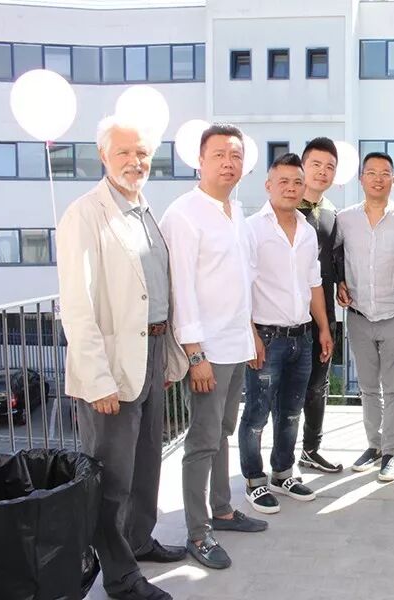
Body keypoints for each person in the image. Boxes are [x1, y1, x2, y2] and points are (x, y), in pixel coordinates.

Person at [57, 115, 189, 600]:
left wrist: (167, 357)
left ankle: (139, 541)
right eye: (124, 153)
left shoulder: (145, 211)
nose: (135, 162)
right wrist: (97, 379)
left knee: (147, 463)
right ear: (103, 157)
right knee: (112, 479)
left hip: (151, 352)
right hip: (111, 363)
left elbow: (158, 291)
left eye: (142, 153)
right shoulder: (84, 214)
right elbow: (77, 305)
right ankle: (120, 576)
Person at [160, 123, 268, 571]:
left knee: (223, 430)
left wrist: (251, 332)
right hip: (206, 350)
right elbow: (181, 287)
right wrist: (195, 354)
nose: (229, 163)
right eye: (219, 154)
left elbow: (242, 280)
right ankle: (197, 532)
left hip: (235, 341)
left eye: (236, 156)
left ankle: (222, 510)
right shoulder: (184, 214)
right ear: (199, 160)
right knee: (203, 441)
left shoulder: (235, 211)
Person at [238, 153, 334, 513]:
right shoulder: (251, 229)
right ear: (268, 185)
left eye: (297, 182)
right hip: (266, 337)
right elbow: (241, 286)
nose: (291, 188)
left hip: (302, 338)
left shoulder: (307, 231)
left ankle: (282, 473)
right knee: (257, 415)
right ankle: (254, 480)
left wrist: (323, 329)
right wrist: (250, 334)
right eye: (284, 182)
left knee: (292, 412)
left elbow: (314, 284)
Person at [336, 151, 394, 482]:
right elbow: (335, 257)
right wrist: (341, 281)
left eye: (385, 173)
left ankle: (390, 452)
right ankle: (373, 445)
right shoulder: (345, 219)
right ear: (361, 179)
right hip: (358, 314)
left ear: (393, 180)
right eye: (371, 172)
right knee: (368, 387)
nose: (378, 178)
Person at [296, 137, 344, 473]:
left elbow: (335, 256)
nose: (322, 172)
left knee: (318, 385)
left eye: (330, 167)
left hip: (324, 313)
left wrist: (343, 281)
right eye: (316, 164)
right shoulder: (284, 207)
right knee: (285, 388)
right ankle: (279, 459)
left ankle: (311, 449)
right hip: (285, 315)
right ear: (303, 166)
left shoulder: (331, 213)